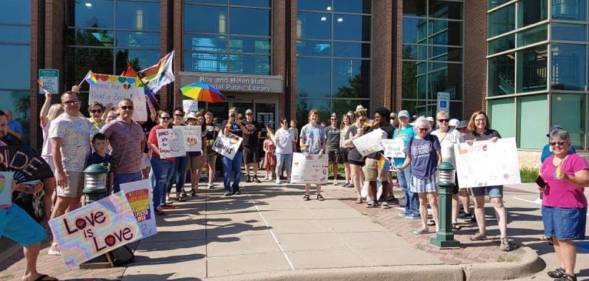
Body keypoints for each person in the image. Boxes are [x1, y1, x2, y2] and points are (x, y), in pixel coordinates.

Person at [0, 111, 57, 281]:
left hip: (6, 207)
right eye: (0, 125)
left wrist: (25, 187)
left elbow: (7, 182)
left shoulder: (6, 146)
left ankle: (30, 274)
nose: (3, 128)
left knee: (34, 235)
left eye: (4, 124)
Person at [48, 91, 93, 255]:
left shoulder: (84, 121)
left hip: (84, 169)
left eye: (74, 101)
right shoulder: (59, 122)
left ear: (79, 103)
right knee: (61, 203)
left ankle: (68, 237)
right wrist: (59, 171)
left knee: (75, 203)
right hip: (68, 169)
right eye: (68, 102)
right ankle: (54, 241)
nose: (72, 104)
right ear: (63, 105)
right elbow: (55, 149)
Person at [540, 128, 588, 281]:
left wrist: (567, 177)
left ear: (568, 143)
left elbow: (586, 180)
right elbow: (541, 176)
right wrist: (541, 185)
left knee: (565, 239)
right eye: (553, 143)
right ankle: (563, 267)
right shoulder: (548, 160)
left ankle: (570, 274)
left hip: (569, 205)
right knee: (554, 237)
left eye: (560, 143)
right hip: (549, 204)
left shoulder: (576, 159)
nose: (556, 146)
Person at [463, 111, 511, 251]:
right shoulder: (468, 136)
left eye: (483, 120)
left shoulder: (493, 134)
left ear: (486, 120)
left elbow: (503, 151)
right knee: (478, 203)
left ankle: (504, 236)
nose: (480, 122)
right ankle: (482, 231)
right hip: (476, 175)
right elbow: (463, 156)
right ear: (473, 121)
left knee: (497, 202)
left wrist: (498, 143)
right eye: (478, 120)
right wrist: (467, 146)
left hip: (493, 174)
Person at [399, 118, 441, 234]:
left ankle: (438, 226)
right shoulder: (411, 141)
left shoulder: (433, 138)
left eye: (426, 129)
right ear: (416, 129)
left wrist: (438, 169)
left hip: (431, 172)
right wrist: (402, 167)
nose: (423, 131)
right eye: (421, 129)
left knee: (433, 200)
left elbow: (439, 156)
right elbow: (409, 158)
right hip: (417, 173)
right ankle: (424, 226)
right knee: (422, 201)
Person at [431, 111, 468, 230]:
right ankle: (439, 219)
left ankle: (453, 220)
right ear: (437, 121)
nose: (444, 123)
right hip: (436, 171)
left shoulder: (456, 134)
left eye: (446, 120)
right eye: (441, 120)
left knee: (453, 195)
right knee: (437, 195)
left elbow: (463, 151)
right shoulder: (433, 134)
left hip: (452, 169)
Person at [100, 99, 145, 193]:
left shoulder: (137, 126)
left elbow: (143, 141)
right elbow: (97, 140)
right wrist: (103, 157)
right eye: (124, 107)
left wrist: (140, 155)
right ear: (118, 110)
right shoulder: (113, 125)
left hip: (137, 172)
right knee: (121, 205)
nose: (127, 110)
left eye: (130, 107)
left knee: (136, 206)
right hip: (120, 172)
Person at [364, 107, 396, 208]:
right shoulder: (373, 127)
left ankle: (384, 200)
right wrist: (368, 128)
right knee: (371, 178)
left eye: (378, 117)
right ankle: (374, 200)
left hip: (384, 157)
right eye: (375, 117)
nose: (376, 118)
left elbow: (393, 143)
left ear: (384, 117)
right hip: (371, 156)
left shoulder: (391, 129)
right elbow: (366, 139)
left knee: (384, 179)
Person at [39, 92, 62, 227]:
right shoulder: (49, 124)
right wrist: (48, 99)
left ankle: (54, 216)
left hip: (60, 159)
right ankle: (48, 218)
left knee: (59, 190)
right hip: (48, 158)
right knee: (49, 190)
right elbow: (42, 115)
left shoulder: (65, 124)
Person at [148, 111, 175, 215]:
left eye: (167, 118)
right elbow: (151, 144)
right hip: (159, 160)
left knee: (164, 182)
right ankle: (156, 206)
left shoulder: (170, 130)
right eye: (163, 118)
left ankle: (162, 202)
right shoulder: (155, 129)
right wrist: (161, 154)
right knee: (159, 183)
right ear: (159, 118)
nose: (165, 120)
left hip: (171, 160)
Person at [393, 110, 419, 219]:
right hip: (398, 161)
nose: (403, 120)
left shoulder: (413, 129)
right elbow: (393, 145)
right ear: (398, 119)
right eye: (401, 118)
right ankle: (408, 209)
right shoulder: (396, 131)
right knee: (403, 187)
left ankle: (415, 211)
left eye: (405, 117)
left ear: (408, 118)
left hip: (409, 161)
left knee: (410, 186)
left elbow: (417, 143)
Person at [221, 107, 249, 196]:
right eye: (231, 113)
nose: (233, 115)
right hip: (228, 150)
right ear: (228, 114)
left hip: (238, 150)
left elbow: (246, 132)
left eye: (234, 113)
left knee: (237, 170)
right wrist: (230, 121)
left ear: (237, 114)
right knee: (227, 170)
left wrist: (239, 124)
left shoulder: (241, 122)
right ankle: (227, 189)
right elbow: (225, 133)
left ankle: (236, 187)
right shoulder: (225, 122)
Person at [300, 109, 326, 201]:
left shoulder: (321, 128)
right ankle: (307, 194)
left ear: (317, 117)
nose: (314, 117)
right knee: (307, 175)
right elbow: (301, 141)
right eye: (312, 115)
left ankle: (319, 194)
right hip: (308, 155)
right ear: (309, 117)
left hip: (317, 154)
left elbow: (323, 141)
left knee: (318, 175)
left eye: (315, 116)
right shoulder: (305, 128)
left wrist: (321, 151)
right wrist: (304, 151)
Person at [345, 107, 368, 203]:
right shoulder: (352, 128)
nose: (362, 121)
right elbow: (345, 142)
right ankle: (359, 195)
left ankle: (366, 192)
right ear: (356, 118)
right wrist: (356, 136)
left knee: (367, 175)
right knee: (354, 175)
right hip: (354, 153)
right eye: (360, 119)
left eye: (364, 119)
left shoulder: (368, 127)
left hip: (366, 153)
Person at [185, 112, 206, 198]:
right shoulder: (184, 128)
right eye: (190, 119)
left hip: (196, 152)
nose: (191, 121)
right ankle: (182, 189)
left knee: (194, 171)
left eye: (193, 119)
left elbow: (201, 138)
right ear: (187, 120)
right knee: (185, 171)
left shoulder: (198, 129)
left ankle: (193, 188)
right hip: (186, 152)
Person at [171, 108, 189, 200]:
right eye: (176, 115)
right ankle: (167, 194)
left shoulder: (185, 127)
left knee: (181, 174)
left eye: (180, 115)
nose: (178, 117)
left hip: (183, 153)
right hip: (172, 154)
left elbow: (192, 139)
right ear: (173, 116)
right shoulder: (169, 126)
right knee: (171, 174)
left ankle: (178, 193)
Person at [242, 109, 262, 183]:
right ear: (245, 115)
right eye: (247, 114)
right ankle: (247, 176)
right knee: (246, 162)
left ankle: (255, 176)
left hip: (255, 144)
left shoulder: (256, 123)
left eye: (250, 114)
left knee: (255, 161)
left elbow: (259, 133)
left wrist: (257, 139)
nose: (249, 115)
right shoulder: (243, 123)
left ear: (252, 115)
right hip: (246, 145)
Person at [273, 117, 294, 184]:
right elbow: (275, 141)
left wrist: (294, 150)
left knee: (288, 165)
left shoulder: (291, 131)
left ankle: (289, 178)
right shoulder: (278, 131)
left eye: (286, 123)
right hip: (280, 152)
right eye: (284, 123)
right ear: (281, 124)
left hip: (289, 151)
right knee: (279, 165)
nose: (285, 124)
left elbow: (292, 141)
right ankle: (278, 178)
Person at [204, 111, 219, 188]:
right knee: (203, 165)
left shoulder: (215, 126)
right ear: (205, 117)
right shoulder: (202, 126)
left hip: (213, 148)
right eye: (207, 117)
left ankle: (210, 183)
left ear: (212, 118)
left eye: (210, 117)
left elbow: (218, 137)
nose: (209, 118)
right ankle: (197, 184)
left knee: (212, 165)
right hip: (203, 147)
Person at [325, 113, 341, 185]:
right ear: (330, 120)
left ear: (337, 120)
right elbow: (324, 139)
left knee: (335, 164)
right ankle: (325, 178)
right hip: (328, 148)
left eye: (335, 119)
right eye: (332, 119)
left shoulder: (339, 130)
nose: (333, 120)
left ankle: (335, 179)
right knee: (326, 164)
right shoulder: (326, 129)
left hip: (336, 148)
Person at [339, 112, 354, 187]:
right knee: (346, 166)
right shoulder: (342, 128)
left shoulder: (351, 127)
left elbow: (352, 138)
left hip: (349, 148)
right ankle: (347, 181)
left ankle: (352, 182)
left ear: (349, 119)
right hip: (343, 148)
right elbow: (341, 139)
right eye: (344, 119)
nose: (345, 120)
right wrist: (340, 146)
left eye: (346, 119)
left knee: (351, 166)